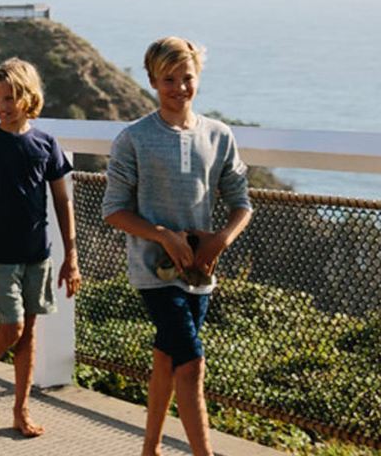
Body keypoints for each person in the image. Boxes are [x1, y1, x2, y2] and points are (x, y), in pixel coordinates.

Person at [102, 37, 253, 456]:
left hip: (199, 274)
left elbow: (242, 202)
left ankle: (149, 448)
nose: (179, 87)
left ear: (198, 78)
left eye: (186, 78)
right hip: (153, 273)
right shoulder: (133, 138)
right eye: (168, 79)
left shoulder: (219, 136)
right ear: (152, 80)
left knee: (167, 361)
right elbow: (114, 210)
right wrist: (163, 235)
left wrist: (221, 239)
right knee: (192, 364)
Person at [0, 58, 80, 436]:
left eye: (10, 97)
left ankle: (21, 411)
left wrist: (70, 257)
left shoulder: (45, 143)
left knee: (29, 334)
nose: (2, 105)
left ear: (28, 98)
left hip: (36, 253)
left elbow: (63, 202)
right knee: (12, 327)